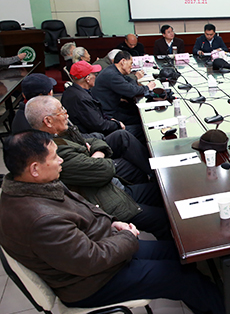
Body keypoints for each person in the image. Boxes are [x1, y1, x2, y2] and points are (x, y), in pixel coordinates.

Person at [0, 130, 230, 314]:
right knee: (179, 275)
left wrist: (112, 222)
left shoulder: (33, 187)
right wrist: (127, 236)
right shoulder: (38, 218)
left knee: (176, 252)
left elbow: (87, 207)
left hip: (102, 246)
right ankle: (225, 309)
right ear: (34, 169)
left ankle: (208, 301)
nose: (61, 161)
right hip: (91, 281)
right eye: (54, 157)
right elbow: (89, 260)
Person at [25, 96, 169, 239]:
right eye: (61, 110)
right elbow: (104, 170)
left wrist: (96, 153)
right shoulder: (52, 150)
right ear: (48, 121)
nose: (66, 114)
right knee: (164, 218)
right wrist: (96, 155)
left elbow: (93, 141)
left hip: (113, 190)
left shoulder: (60, 135)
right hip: (109, 202)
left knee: (163, 191)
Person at [62, 61, 146, 144]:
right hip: (97, 137)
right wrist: (117, 124)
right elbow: (99, 125)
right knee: (142, 130)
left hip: (95, 129)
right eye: (94, 74)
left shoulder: (70, 92)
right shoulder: (82, 99)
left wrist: (110, 119)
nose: (95, 76)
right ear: (87, 78)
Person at [92, 51, 156, 126]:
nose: (131, 67)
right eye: (131, 63)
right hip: (108, 113)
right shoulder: (113, 75)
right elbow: (132, 91)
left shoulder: (112, 69)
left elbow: (130, 81)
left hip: (112, 106)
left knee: (135, 110)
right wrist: (147, 87)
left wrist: (133, 87)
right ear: (123, 62)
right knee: (141, 118)